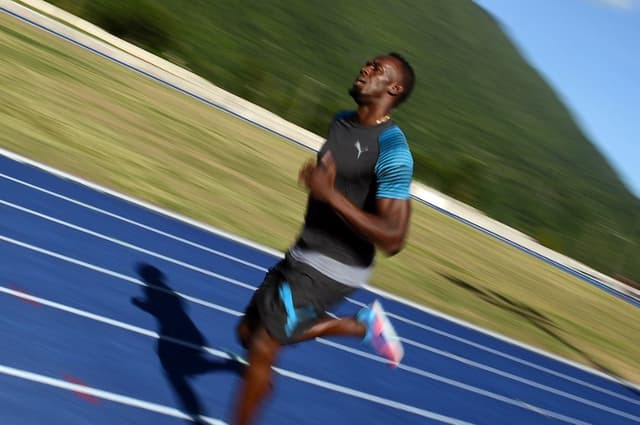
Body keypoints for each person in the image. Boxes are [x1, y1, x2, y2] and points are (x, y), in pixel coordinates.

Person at [232, 52, 416, 425]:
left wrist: (329, 194)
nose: (365, 68)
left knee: (265, 342)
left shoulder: (394, 151)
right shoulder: (341, 121)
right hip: (305, 251)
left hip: (338, 266)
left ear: (393, 88)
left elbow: (394, 238)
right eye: (367, 63)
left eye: (376, 69)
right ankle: (358, 326)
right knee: (247, 333)